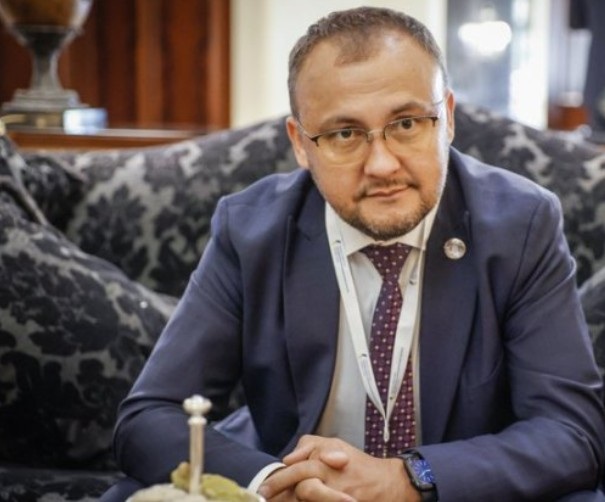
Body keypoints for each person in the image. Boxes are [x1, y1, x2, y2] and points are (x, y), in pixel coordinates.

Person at [103, 7, 605, 501]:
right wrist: (276, 484)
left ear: (448, 118)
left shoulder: (520, 225)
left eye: (407, 123)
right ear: (301, 144)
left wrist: (407, 479)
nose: (382, 165)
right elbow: (149, 417)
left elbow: (570, 432)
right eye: (345, 134)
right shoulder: (251, 231)